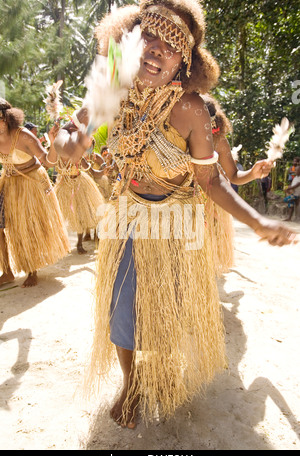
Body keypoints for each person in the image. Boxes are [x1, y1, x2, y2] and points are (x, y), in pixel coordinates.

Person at [54, 0, 297, 429]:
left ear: (185, 61)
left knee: (168, 311)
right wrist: (69, 142)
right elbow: (76, 130)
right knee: (121, 312)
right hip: (128, 215)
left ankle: (161, 373)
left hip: (177, 224)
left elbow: (213, 181)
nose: (155, 49)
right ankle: (131, 383)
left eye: (172, 45)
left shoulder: (190, 109)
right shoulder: (114, 89)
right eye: (149, 35)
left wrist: (257, 222)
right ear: (130, 40)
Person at [0, 98, 69, 287]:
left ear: (7, 118)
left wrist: (53, 143)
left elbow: (48, 161)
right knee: (7, 228)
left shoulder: (23, 136)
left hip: (31, 183)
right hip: (9, 183)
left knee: (28, 226)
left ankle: (32, 270)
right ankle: (7, 271)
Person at [203, 94, 274, 274]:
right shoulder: (174, 134)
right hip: (179, 205)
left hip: (210, 203)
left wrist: (253, 173)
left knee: (205, 251)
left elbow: (233, 175)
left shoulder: (218, 140)